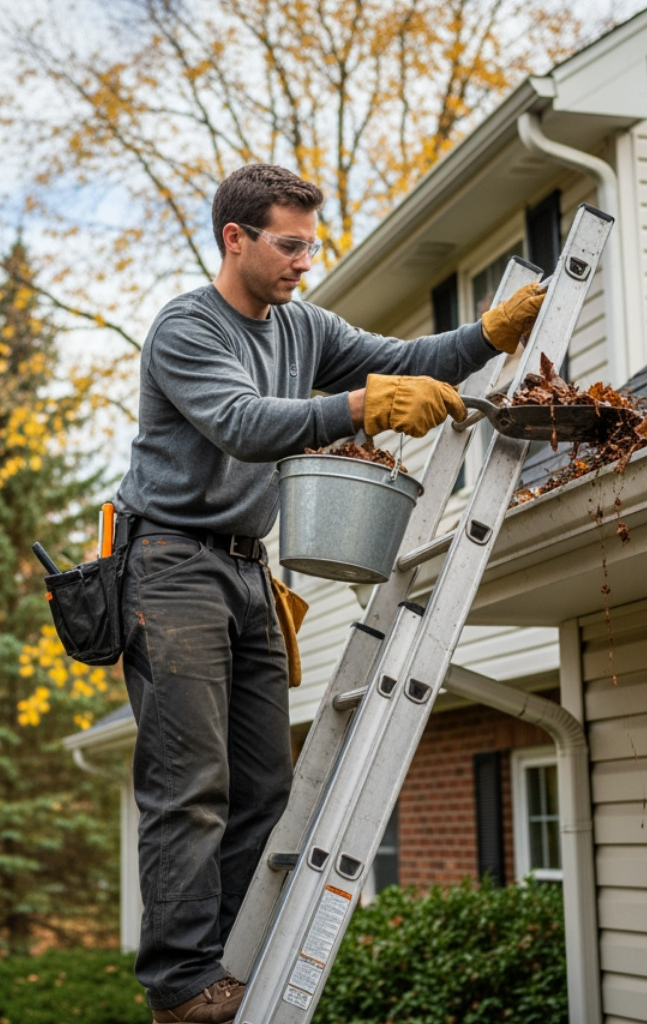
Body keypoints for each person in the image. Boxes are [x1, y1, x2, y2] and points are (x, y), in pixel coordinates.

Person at [112, 163, 544, 1023]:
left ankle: (232, 961)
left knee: (266, 784)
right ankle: (181, 985)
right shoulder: (186, 330)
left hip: (246, 567)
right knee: (190, 779)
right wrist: (362, 407)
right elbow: (243, 421)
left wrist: (490, 334)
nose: (305, 260)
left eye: (312, 243)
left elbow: (406, 360)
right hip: (169, 566)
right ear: (235, 238)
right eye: (290, 243)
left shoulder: (300, 325)